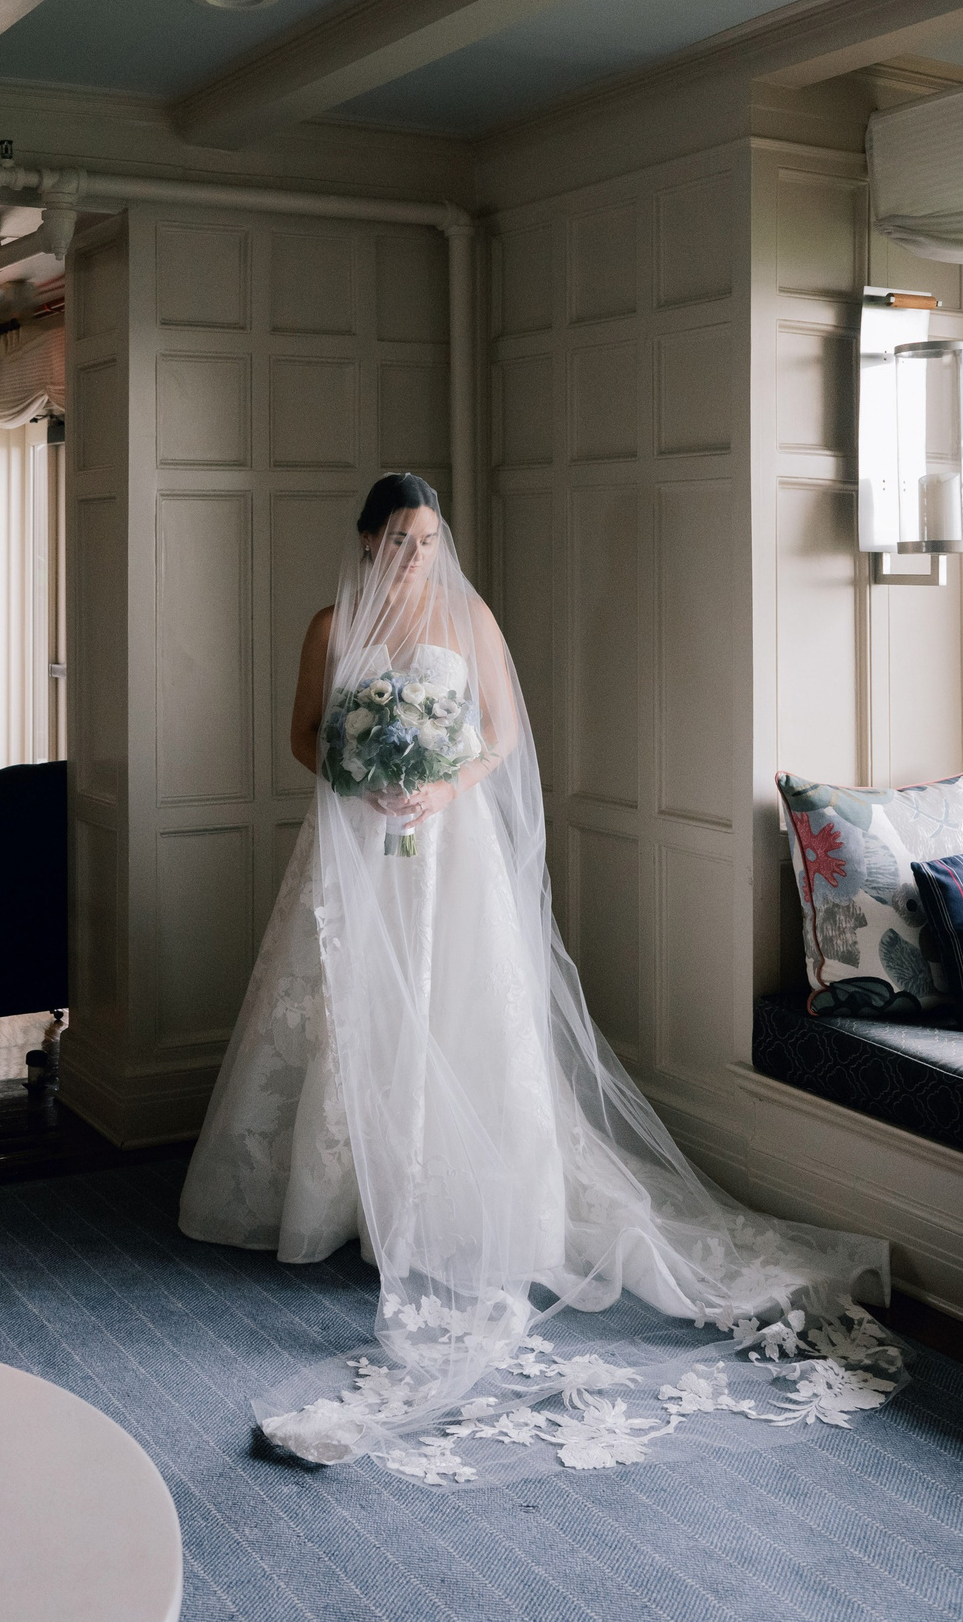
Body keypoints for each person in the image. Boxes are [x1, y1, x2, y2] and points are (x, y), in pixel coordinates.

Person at [178, 473, 900, 1484]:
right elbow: (303, 732)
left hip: (447, 841)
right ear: (364, 542)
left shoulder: (467, 614)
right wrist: (360, 774)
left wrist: (435, 781)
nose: (412, 556)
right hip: (354, 840)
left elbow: (502, 737)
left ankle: (452, 1193)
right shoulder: (327, 625)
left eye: (426, 539)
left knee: (458, 1007)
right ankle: (341, 1190)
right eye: (396, 539)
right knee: (354, 1007)